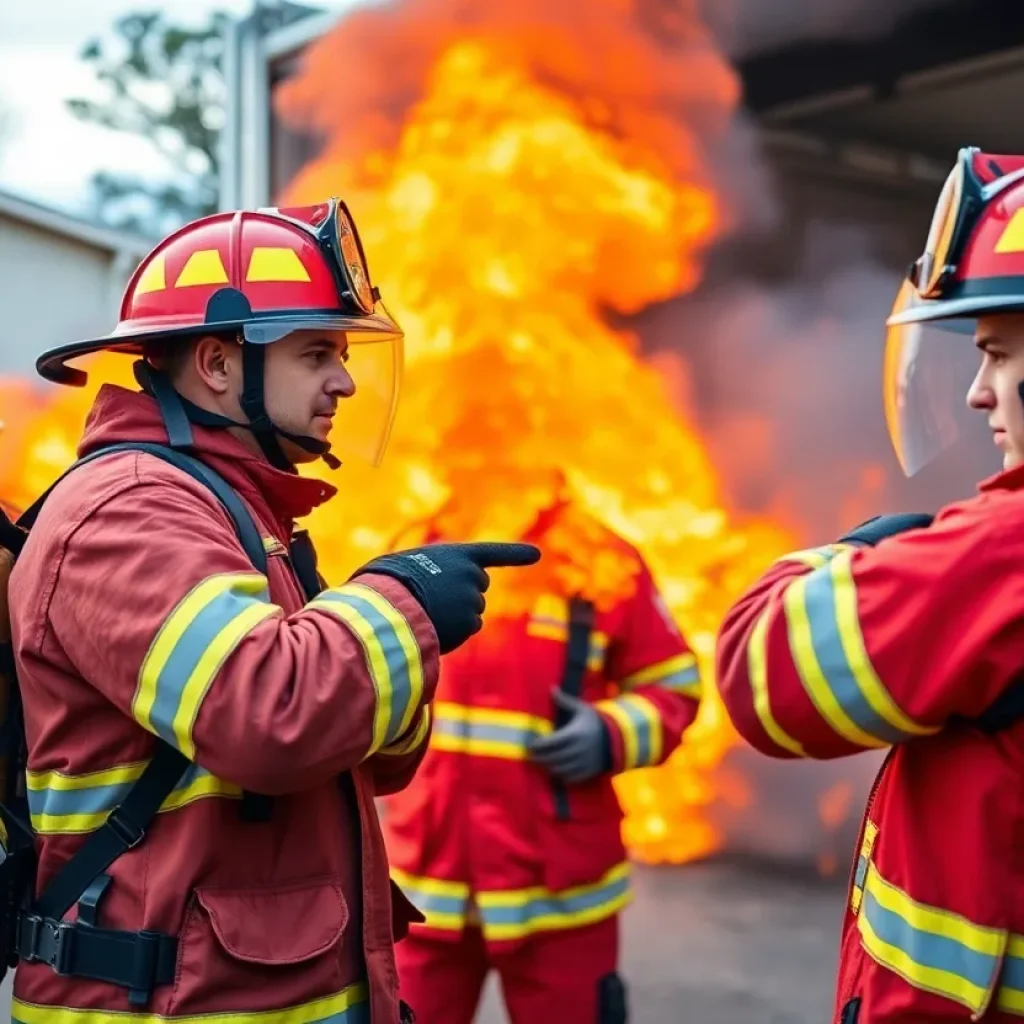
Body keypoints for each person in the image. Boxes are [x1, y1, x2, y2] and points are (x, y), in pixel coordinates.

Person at [8, 200, 539, 1024]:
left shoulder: (243, 516)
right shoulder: (128, 509)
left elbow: (363, 759)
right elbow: (272, 718)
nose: (347, 380)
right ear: (219, 364)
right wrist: (403, 605)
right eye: (317, 351)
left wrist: (380, 653)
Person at [714, 147, 1024, 1023]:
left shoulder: (1002, 554)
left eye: (998, 353)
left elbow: (760, 677)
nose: (975, 392)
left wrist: (843, 557)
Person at [381, 472, 702, 1024]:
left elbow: (673, 687)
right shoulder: (420, 543)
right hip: (427, 889)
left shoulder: (598, 557)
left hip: (561, 896)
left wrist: (610, 733)